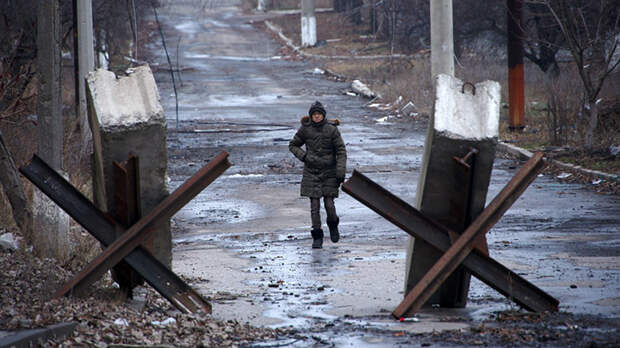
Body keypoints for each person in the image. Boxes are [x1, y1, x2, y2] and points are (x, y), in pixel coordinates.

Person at [289, 101, 347, 249]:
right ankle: (317, 235)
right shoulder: (305, 129)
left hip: (329, 172)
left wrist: (340, 171)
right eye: (314, 115)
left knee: (329, 204)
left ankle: (333, 225)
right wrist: (304, 157)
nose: (316, 117)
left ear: (323, 115)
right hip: (311, 172)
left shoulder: (331, 130)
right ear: (311, 116)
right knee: (314, 206)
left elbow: (341, 151)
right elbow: (293, 145)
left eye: (319, 114)